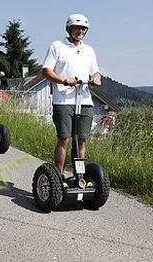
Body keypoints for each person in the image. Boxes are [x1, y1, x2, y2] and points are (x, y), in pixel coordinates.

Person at [41, 13, 101, 181]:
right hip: (63, 100)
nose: (80, 31)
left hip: (85, 100)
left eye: (83, 28)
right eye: (77, 28)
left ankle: (79, 176)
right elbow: (46, 71)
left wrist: (96, 78)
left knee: (81, 140)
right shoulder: (57, 46)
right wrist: (63, 80)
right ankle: (58, 177)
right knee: (64, 138)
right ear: (69, 29)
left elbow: (95, 71)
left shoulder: (89, 50)